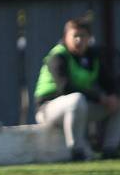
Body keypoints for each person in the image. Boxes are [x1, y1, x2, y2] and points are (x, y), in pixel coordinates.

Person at [34, 18, 120, 160]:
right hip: (48, 109)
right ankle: (76, 151)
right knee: (76, 99)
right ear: (65, 37)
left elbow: (109, 83)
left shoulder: (92, 57)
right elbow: (65, 87)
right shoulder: (58, 56)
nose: (79, 40)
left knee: (117, 102)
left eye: (83, 36)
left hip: (79, 109)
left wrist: (113, 96)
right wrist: (100, 98)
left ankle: (110, 149)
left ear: (89, 38)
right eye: (75, 36)